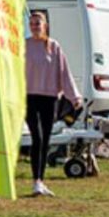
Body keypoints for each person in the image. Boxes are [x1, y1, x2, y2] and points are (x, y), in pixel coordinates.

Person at [25, 11, 81, 197]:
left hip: (49, 98)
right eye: (32, 23)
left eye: (38, 23)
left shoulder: (53, 47)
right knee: (37, 137)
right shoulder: (24, 46)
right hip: (29, 97)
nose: (35, 26)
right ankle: (36, 181)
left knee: (46, 140)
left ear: (45, 25)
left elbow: (64, 73)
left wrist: (74, 97)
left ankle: (40, 181)